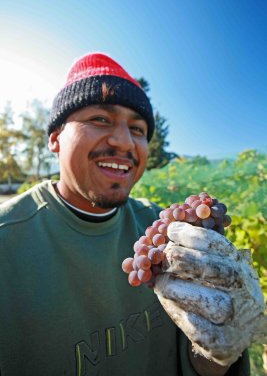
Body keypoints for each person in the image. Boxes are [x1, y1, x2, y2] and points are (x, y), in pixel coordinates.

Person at [0, 52, 262, 376]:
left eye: (138, 129)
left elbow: (195, 363)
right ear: (55, 138)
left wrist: (218, 351)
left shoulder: (168, 233)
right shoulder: (6, 241)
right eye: (100, 119)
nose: (125, 142)